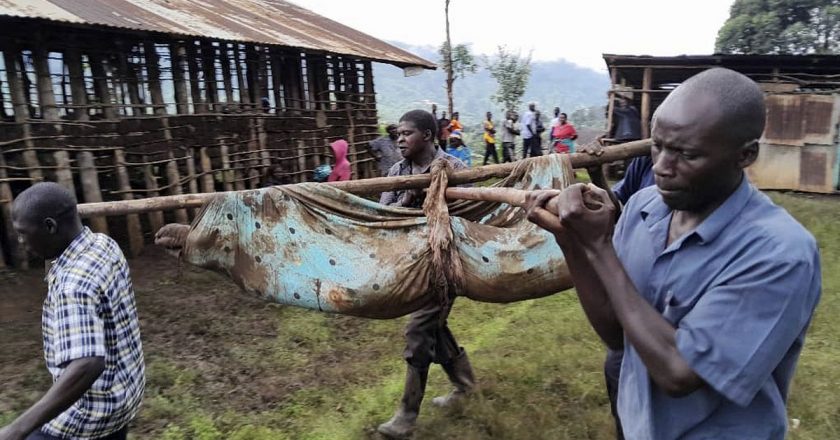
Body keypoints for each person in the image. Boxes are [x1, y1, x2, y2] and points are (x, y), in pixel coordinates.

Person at [527, 68, 821, 439]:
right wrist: (571, 242)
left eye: (687, 154)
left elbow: (678, 372)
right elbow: (618, 336)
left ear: (745, 155)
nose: (662, 168)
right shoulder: (643, 208)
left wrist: (599, 247)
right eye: (658, 145)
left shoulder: (780, 253)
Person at [1, 183, 145, 440]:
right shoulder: (103, 244)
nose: (21, 242)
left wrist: (16, 429)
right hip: (124, 398)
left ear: (49, 227)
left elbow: (88, 363)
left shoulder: (73, 285)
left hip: (90, 416)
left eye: (24, 233)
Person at [377, 110, 475, 438]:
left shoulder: (455, 169)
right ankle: (465, 385)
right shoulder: (397, 171)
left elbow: (474, 215)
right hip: (412, 264)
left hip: (447, 264)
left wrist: (439, 200)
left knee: (420, 329)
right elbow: (384, 216)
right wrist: (410, 197)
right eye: (398, 135)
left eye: (407, 134)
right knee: (435, 325)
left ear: (428, 136)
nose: (400, 139)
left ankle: (406, 415)